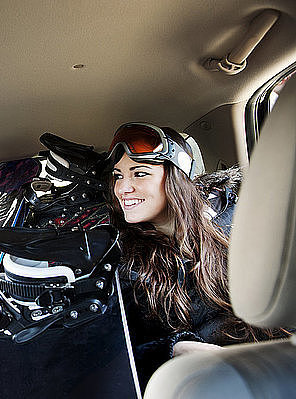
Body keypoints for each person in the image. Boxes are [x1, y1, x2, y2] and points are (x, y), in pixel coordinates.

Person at [107, 122, 284, 388]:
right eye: (118, 175)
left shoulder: (241, 216)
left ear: (177, 177)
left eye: (139, 174)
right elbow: (124, 356)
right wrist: (174, 351)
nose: (123, 188)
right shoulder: (128, 266)